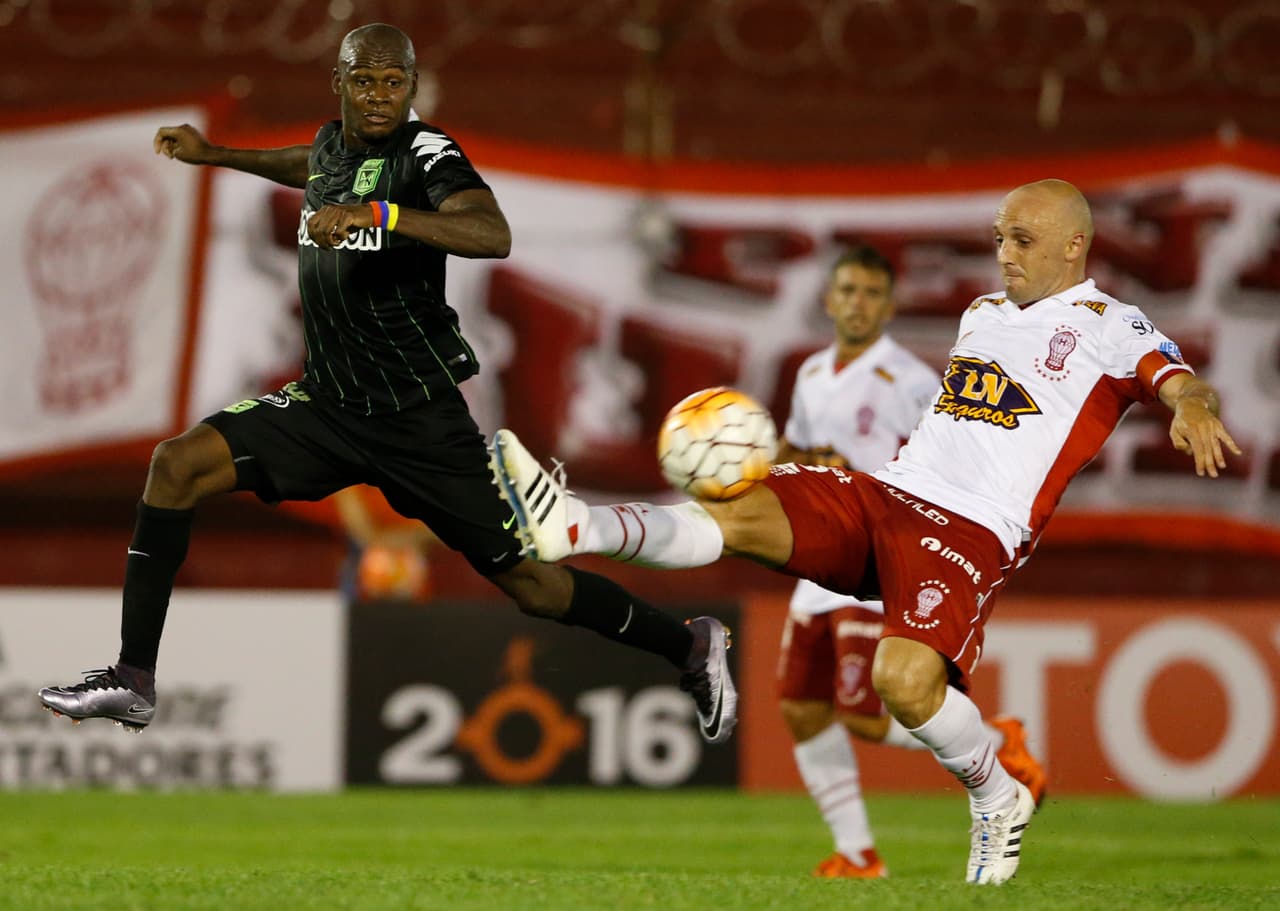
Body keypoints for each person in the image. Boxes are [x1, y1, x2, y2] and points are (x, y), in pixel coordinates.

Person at [490, 179, 1241, 884]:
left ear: (1074, 246)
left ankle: (996, 792)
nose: (1004, 254)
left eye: (1022, 239)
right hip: (888, 492)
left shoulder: (1109, 324)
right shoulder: (982, 313)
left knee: (900, 685)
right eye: (998, 238)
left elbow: (1182, 380)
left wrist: (1190, 407)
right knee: (739, 504)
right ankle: (574, 523)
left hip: (975, 528)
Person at [38, 23, 735, 749]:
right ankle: (134, 678)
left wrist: (381, 216)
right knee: (176, 465)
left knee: (535, 585)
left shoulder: (424, 152)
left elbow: (490, 232)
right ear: (338, 83)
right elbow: (307, 163)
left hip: (418, 419)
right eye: (365, 81)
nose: (379, 96)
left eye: (393, 82)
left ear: (410, 87)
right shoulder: (332, 148)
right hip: (328, 405)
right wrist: (216, 155)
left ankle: (689, 646)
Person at [771, 246, 1045, 880]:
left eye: (871, 293)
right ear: (829, 299)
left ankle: (997, 744)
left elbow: (946, 461)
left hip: (873, 557)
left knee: (864, 716)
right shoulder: (812, 372)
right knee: (801, 708)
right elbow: (799, 447)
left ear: (890, 306)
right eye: (848, 290)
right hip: (816, 562)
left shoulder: (914, 381)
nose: (858, 303)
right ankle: (858, 854)